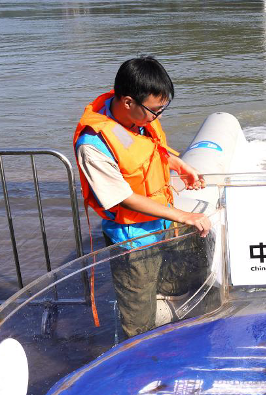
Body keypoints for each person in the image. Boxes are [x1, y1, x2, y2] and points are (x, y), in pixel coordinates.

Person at [73, 56, 212, 338]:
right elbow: (122, 197)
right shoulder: (94, 144)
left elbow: (149, 151)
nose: (157, 116)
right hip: (132, 238)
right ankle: (143, 364)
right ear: (127, 102)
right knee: (138, 319)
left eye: (163, 108)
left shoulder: (138, 119)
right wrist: (184, 216)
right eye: (154, 110)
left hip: (162, 221)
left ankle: (169, 301)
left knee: (197, 256)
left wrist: (179, 165)